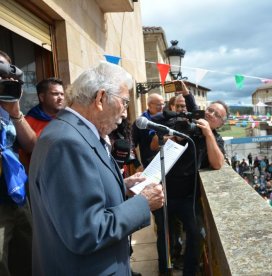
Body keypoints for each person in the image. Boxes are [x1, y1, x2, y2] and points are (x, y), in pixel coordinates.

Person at [29, 62, 164, 275]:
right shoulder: (67, 142)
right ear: (100, 98)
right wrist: (143, 203)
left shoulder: (77, 133)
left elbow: (82, 195)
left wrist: (123, 186)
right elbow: (85, 232)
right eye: (124, 102)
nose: (125, 112)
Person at [151, 100, 228, 275]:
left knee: (197, 234)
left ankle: (190, 272)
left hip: (189, 197)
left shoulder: (215, 138)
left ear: (221, 124)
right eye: (210, 110)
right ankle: (164, 271)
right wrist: (174, 135)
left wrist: (208, 133)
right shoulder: (185, 123)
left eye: (217, 115)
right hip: (164, 193)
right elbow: (154, 145)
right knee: (165, 237)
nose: (211, 115)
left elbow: (217, 164)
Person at [0, 50, 38, 276]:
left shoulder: (10, 108)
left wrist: (15, 111)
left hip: (18, 197)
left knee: (28, 256)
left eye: (5, 70)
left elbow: (31, 145)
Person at [19, 77, 65, 172]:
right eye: (55, 94)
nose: (60, 98)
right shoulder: (27, 123)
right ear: (42, 97)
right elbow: (22, 158)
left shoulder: (68, 119)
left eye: (62, 94)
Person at [132, 93, 165, 168]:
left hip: (169, 163)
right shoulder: (140, 123)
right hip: (150, 166)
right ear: (149, 105)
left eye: (163, 104)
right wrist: (137, 165)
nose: (162, 107)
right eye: (159, 105)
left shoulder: (167, 119)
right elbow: (131, 144)